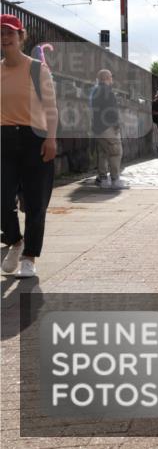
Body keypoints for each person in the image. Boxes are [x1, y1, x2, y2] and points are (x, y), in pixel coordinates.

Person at [1, 14, 58, 279]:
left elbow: (51, 108)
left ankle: (29, 257)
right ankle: (15, 241)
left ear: (21, 37)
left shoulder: (37, 68)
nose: (5, 38)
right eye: (1, 33)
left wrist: (51, 138)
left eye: (10, 33)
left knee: (36, 202)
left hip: (35, 138)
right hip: (4, 139)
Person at [89, 69, 126, 189]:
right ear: (106, 78)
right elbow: (112, 111)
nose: (112, 80)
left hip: (97, 128)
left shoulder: (94, 91)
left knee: (103, 153)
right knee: (115, 152)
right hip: (108, 128)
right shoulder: (108, 92)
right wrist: (116, 124)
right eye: (111, 77)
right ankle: (115, 180)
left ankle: (103, 179)